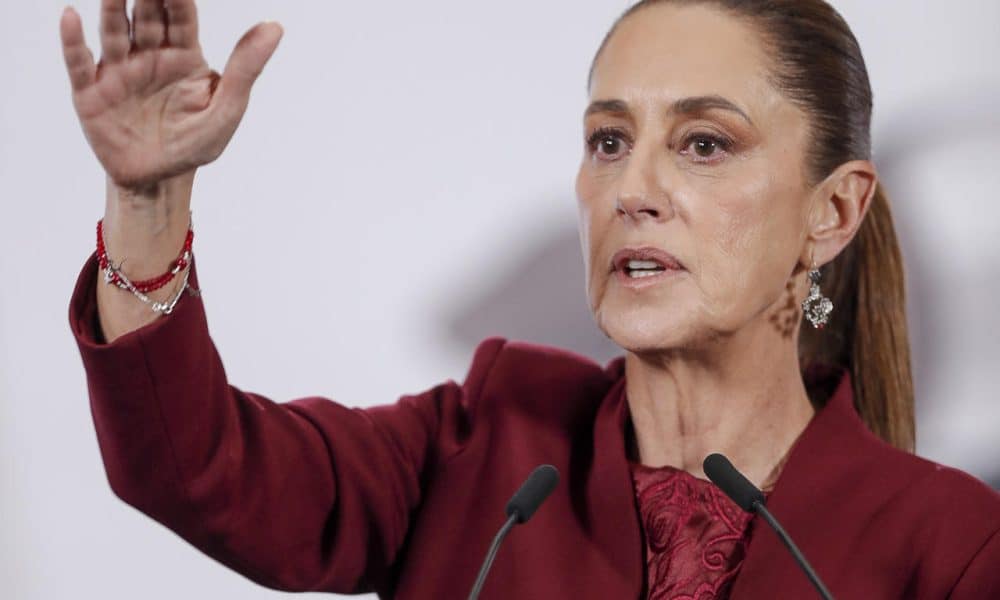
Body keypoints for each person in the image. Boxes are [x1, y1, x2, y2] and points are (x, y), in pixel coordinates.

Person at [62, 0, 1000, 598]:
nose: (633, 188)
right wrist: (148, 201)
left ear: (833, 211)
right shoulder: (480, 445)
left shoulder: (951, 547)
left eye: (704, 143)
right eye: (607, 141)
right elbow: (192, 466)